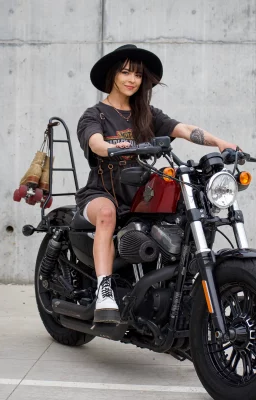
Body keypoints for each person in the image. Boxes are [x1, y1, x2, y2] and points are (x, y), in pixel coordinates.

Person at [75, 44, 238, 324]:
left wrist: (221, 143)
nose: (131, 79)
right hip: (102, 193)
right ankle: (104, 291)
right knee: (106, 214)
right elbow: (95, 142)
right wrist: (114, 146)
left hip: (141, 195)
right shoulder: (96, 115)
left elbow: (184, 129)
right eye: (125, 72)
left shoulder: (147, 114)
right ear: (113, 75)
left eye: (137, 75)